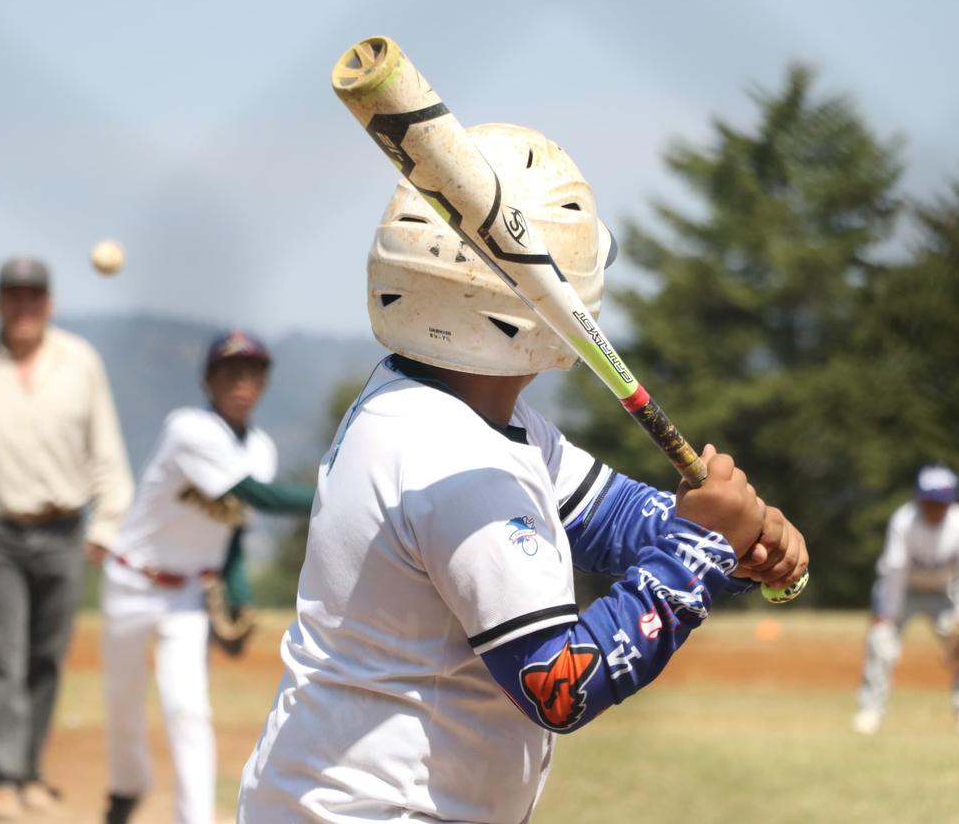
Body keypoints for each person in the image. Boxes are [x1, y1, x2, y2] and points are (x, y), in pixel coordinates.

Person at [236, 123, 810, 823]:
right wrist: (697, 550)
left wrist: (731, 537)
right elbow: (561, 685)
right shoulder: (452, 454)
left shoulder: (447, 405)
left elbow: (609, 519)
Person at [0, 257, 134, 820]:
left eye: (34, 296)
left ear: (50, 303)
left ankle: (31, 769)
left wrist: (109, 519)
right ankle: (2, 777)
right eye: (14, 296)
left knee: (47, 658)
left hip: (65, 530)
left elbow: (104, 446)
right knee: (0, 658)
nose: (24, 306)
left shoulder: (80, 361)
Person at [101, 330, 314, 824]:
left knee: (188, 709)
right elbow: (258, 497)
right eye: (229, 371)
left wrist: (238, 595)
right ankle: (125, 790)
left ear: (265, 382)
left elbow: (236, 529)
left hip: (189, 594)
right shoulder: (188, 429)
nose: (242, 381)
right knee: (122, 704)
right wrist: (338, 487)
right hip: (131, 581)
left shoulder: (260, 447)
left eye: (253, 371)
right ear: (207, 380)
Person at [853, 465, 959, 737]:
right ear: (920, 499)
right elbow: (894, 571)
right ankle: (871, 710)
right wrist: (886, 613)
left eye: (941, 502)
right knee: (880, 642)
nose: (934, 508)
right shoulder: (904, 521)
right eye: (929, 501)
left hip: (944, 593)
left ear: (951, 502)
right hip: (903, 592)